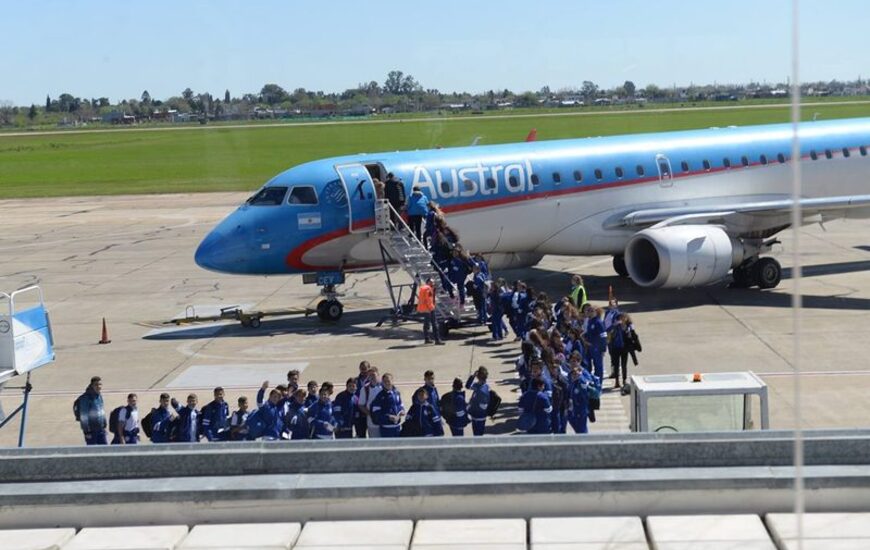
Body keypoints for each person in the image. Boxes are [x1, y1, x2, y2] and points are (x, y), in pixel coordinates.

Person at [73, 376, 107, 445]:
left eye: (100, 384)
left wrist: (104, 424)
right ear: (92, 386)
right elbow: (84, 416)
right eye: (96, 385)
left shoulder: (99, 396)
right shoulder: (86, 398)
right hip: (91, 430)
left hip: (100, 429)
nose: (98, 386)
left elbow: (101, 411)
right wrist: (87, 432)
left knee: (104, 449)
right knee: (93, 451)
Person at [371, 373, 404, 437]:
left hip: (397, 427)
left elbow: (400, 405)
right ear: (382, 382)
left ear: (392, 381)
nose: (387, 383)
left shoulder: (396, 393)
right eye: (385, 381)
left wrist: (402, 411)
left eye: (388, 381)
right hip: (386, 428)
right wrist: (388, 417)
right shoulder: (379, 396)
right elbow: (376, 413)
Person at [585, 306, 607, 388]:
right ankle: (590, 381)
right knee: (588, 365)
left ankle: (599, 384)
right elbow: (589, 333)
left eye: (591, 311)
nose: (589, 312)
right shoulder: (590, 321)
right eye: (588, 311)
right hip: (590, 347)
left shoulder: (598, 322)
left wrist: (603, 349)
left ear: (595, 312)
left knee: (598, 367)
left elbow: (603, 336)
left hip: (597, 348)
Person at [466, 366, 491, 436]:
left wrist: (473, 403)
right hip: (475, 415)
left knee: (478, 435)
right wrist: (472, 376)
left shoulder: (483, 390)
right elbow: (468, 386)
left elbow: (484, 406)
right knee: (476, 435)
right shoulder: (478, 386)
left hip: (479, 416)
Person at [417, 277, 443, 345]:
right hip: (429, 308)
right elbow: (428, 300)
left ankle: (427, 338)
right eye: (432, 282)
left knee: (426, 324)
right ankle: (437, 340)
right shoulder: (428, 289)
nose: (433, 283)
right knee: (434, 324)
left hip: (424, 308)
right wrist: (432, 308)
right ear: (428, 282)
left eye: (433, 282)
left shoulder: (424, 288)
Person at [353, 361, 371, 438]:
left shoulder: (372, 381)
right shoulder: (355, 381)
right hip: (359, 412)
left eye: (365, 369)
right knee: (360, 434)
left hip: (370, 412)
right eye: (361, 369)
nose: (363, 371)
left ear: (369, 369)